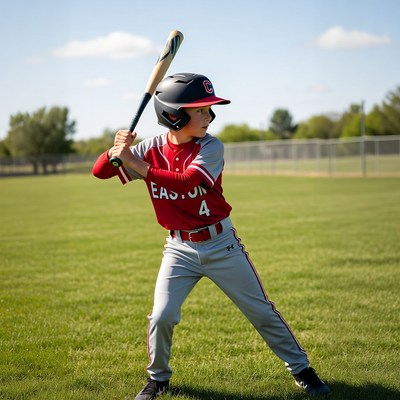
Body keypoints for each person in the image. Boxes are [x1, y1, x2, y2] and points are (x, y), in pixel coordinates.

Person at [92, 73, 331, 399]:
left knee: (261, 312)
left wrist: (139, 165)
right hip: (178, 248)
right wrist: (116, 150)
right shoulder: (148, 149)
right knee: (161, 316)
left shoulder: (211, 146)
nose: (209, 116)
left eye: (209, 109)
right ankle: (158, 379)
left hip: (222, 245)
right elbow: (100, 172)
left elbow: (189, 182)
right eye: (200, 110)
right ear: (173, 116)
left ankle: (302, 370)